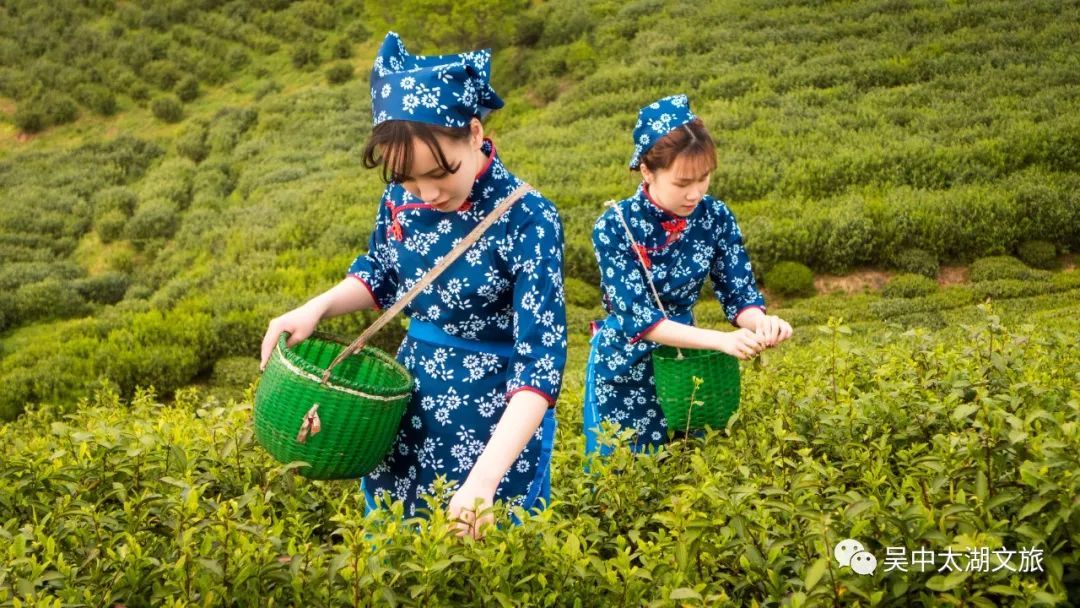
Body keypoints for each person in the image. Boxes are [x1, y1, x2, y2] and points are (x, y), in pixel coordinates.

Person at [259, 32, 567, 538]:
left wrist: (482, 482)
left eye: (438, 174)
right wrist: (315, 309)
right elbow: (381, 275)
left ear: (473, 133)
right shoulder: (403, 201)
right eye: (406, 180)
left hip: (494, 421)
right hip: (411, 402)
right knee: (399, 553)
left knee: (486, 559)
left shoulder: (529, 219)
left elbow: (541, 361)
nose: (425, 194)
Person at [583, 94, 792, 456]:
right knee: (624, 477)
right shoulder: (615, 226)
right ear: (648, 172)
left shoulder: (715, 216)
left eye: (704, 178)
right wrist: (722, 341)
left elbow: (738, 293)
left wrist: (762, 323)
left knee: (690, 471)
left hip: (686, 364)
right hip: (626, 368)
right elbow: (641, 321)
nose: (695, 193)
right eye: (682, 183)